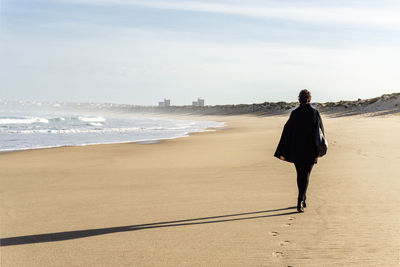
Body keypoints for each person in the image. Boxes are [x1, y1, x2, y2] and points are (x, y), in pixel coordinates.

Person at [274, 89, 325, 213]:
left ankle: (302, 198)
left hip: (297, 150)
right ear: (309, 99)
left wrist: (282, 151)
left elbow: (286, 132)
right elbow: (321, 132)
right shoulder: (314, 113)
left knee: (300, 174)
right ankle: (300, 200)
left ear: (299, 99)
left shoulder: (295, 113)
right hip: (311, 150)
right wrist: (321, 150)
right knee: (306, 174)